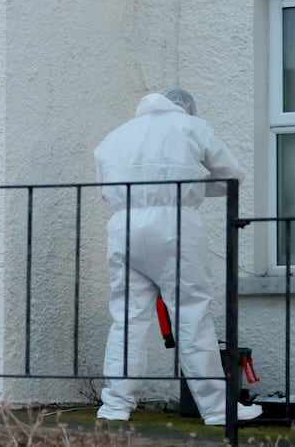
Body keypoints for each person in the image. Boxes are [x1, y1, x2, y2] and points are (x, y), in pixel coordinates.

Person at [93, 87, 262, 426]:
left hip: (123, 225)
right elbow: (232, 175)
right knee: (191, 313)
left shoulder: (114, 137)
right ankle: (217, 408)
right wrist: (192, 185)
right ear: (186, 107)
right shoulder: (191, 126)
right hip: (175, 224)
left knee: (127, 318)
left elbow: (104, 191)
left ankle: (115, 406)